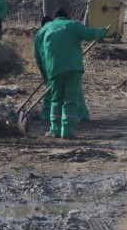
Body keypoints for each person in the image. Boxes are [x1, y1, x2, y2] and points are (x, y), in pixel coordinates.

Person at [41, 8, 107, 139]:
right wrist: (102, 31)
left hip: (53, 70)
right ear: (66, 16)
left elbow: (44, 53)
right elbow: (89, 34)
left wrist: (46, 73)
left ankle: (55, 130)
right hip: (72, 68)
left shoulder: (48, 30)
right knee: (70, 99)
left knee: (56, 100)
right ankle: (67, 131)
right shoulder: (72, 24)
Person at [33, 15, 53, 121]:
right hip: (70, 64)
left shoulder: (39, 33)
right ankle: (83, 115)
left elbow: (38, 58)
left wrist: (43, 74)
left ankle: (45, 115)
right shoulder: (56, 28)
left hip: (49, 65)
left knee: (49, 90)